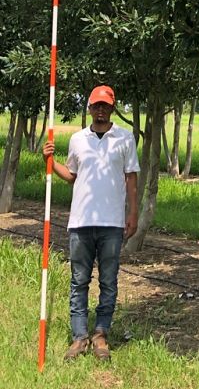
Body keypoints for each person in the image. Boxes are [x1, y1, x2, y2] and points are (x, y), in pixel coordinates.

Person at [42, 84, 139, 361]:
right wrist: (49, 161)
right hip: (80, 222)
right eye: (96, 105)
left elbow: (131, 178)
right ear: (89, 107)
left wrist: (132, 214)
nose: (100, 109)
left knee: (108, 281)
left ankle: (100, 334)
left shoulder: (125, 138)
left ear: (112, 108)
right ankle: (79, 337)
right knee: (79, 281)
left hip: (112, 223)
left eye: (105, 105)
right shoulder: (77, 139)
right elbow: (72, 175)